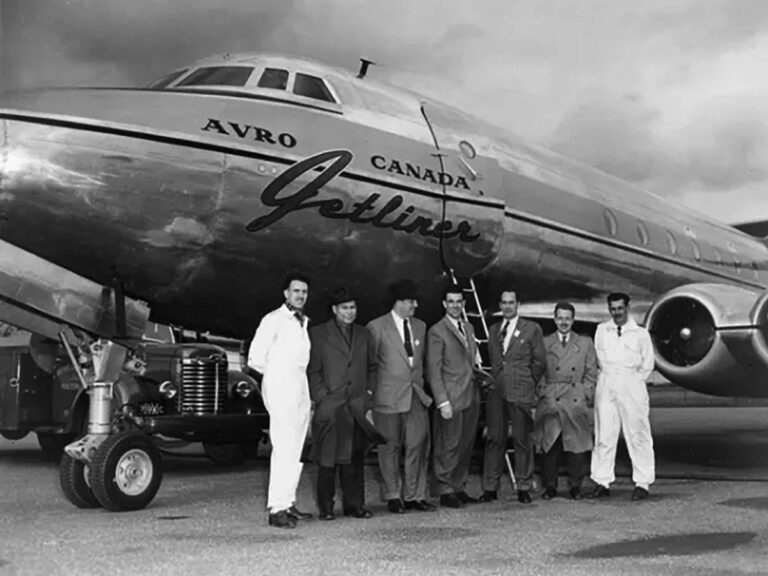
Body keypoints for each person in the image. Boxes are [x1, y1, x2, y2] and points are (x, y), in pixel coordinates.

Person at [247, 273, 314, 529]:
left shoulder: (303, 321)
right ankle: (277, 509)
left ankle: (288, 502)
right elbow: (255, 358)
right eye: (296, 291)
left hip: (299, 386)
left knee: (296, 447)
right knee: (284, 446)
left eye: (304, 292)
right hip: (282, 386)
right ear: (285, 293)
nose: (300, 295)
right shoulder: (273, 320)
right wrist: (277, 378)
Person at [307, 287, 377, 521]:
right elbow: (313, 370)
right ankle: (326, 507)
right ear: (335, 310)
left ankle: (355, 505)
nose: (350, 312)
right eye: (345, 308)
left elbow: (372, 367)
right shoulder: (318, 334)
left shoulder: (364, 334)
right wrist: (322, 398)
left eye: (353, 307)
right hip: (331, 406)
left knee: (355, 458)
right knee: (328, 459)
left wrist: (368, 394)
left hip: (356, 405)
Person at [367, 279, 434, 513]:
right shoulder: (376, 327)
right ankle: (393, 495)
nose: (414, 305)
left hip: (416, 395)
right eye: (409, 301)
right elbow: (371, 365)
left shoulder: (421, 326)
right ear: (397, 303)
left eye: (414, 301)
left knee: (418, 444)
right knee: (389, 447)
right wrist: (370, 398)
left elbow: (420, 364)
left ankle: (415, 495)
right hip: (387, 397)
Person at [480, 288, 546, 504]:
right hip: (497, 392)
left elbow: (539, 362)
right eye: (504, 303)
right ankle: (490, 487)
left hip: (521, 391)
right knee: (494, 439)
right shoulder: (493, 329)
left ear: (518, 305)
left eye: (511, 302)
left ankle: (523, 486)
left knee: (522, 439)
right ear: (500, 305)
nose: (507, 306)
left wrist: (527, 382)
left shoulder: (531, 329)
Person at [588, 292, 655, 501]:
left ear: (627, 308)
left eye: (620, 308)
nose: (616, 312)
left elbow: (647, 365)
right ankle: (602, 481)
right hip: (607, 384)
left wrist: (633, 382)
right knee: (604, 435)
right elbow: (598, 359)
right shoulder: (601, 330)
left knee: (638, 435)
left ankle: (642, 483)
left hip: (632, 385)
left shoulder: (641, 334)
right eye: (613, 308)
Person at [534, 302, 597, 500]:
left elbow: (591, 372)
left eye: (567, 318)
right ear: (554, 319)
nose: (563, 322)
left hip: (574, 397)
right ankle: (550, 486)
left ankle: (576, 486)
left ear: (573, 319)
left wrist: (585, 394)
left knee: (576, 446)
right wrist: (543, 392)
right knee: (550, 444)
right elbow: (537, 371)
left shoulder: (585, 343)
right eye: (560, 318)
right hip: (552, 397)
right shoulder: (544, 342)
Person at [427, 284, 482, 508]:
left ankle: (458, 486)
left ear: (464, 303)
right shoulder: (437, 331)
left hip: (470, 396)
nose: (455, 305)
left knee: (465, 444)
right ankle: (445, 490)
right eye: (451, 302)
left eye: (459, 301)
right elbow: (434, 369)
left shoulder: (468, 327)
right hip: (451, 398)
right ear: (444, 304)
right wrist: (442, 401)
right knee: (447, 445)